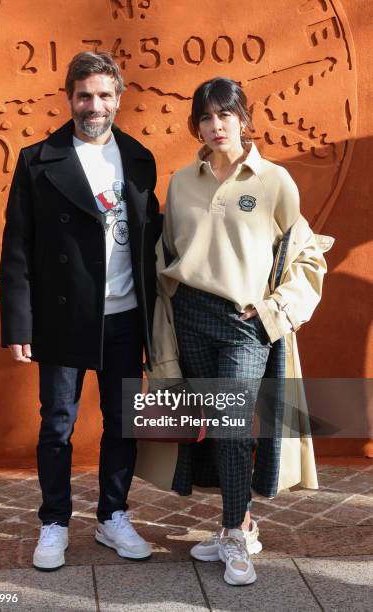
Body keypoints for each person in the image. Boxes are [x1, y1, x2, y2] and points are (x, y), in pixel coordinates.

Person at [150, 77, 330, 586]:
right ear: (196, 126)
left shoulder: (274, 182)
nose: (216, 125)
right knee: (209, 433)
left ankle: (233, 535)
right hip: (190, 318)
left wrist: (275, 312)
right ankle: (242, 521)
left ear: (243, 118)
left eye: (225, 114)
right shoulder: (181, 183)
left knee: (232, 428)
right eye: (205, 117)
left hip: (244, 325)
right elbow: (168, 257)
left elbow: (307, 254)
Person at [0, 51, 161, 571]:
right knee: (58, 424)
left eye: (104, 95)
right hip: (64, 317)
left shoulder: (138, 159)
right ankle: (54, 522)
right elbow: (18, 247)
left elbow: (151, 242)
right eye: (85, 95)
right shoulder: (37, 159)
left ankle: (114, 516)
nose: (95, 105)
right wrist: (19, 324)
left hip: (127, 314)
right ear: (69, 97)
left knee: (123, 423)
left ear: (119, 98)